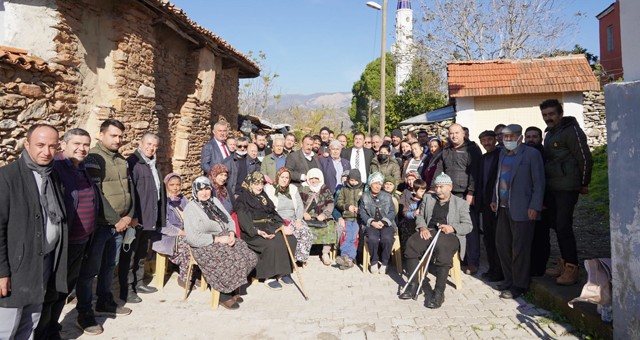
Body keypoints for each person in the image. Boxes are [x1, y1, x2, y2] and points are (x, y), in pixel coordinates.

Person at [0, 124, 67, 340]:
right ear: (27, 144)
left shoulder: (53, 176)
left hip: (44, 263)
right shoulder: (7, 177)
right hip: (16, 267)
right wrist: (1, 272)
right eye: (40, 145)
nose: (46, 152)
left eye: (52, 146)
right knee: (6, 326)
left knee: (31, 323)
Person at [37, 128, 98, 339]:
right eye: (77, 144)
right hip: (62, 244)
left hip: (81, 242)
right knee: (52, 291)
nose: (82, 148)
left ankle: (53, 327)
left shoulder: (81, 167)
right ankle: (44, 332)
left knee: (64, 289)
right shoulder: (57, 168)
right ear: (64, 145)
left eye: (86, 144)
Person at [77, 119, 134, 334]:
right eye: (113, 135)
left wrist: (130, 214)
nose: (118, 140)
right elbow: (96, 192)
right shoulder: (93, 157)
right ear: (101, 135)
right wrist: (115, 219)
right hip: (102, 225)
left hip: (120, 224)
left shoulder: (120, 159)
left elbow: (130, 189)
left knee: (110, 265)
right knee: (90, 270)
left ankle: (104, 301)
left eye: (120, 136)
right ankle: (84, 312)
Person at [540, 99, 593, 285]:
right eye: (545, 115)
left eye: (552, 114)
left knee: (563, 226)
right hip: (553, 187)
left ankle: (572, 267)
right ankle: (563, 262)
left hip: (568, 187)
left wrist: (584, 183)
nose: (548, 118)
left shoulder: (572, 131)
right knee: (556, 224)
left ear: (560, 113)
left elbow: (585, 158)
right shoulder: (550, 134)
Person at [183, 177, 258, 310]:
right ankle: (224, 295)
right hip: (204, 244)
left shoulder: (214, 201)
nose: (205, 192)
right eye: (201, 190)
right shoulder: (191, 208)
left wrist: (230, 234)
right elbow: (193, 238)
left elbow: (229, 220)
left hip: (223, 237)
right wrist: (217, 239)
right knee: (229, 259)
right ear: (195, 191)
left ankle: (232, 288)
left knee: (248, 255)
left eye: (207, 189)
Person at [399, 173, 472, 308]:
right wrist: (422, 227)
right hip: (430, 231)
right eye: (436, 187)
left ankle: (439, 292)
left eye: (441, 187)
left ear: (450, 187)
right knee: (412, 244)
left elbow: (468, 225)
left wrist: (452, 227)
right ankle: (414, 284)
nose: (438, 190)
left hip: (449, 234)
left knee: (443, 249)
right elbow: (420, 215)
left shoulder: (461, 203)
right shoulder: (428, 198)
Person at [490, 124, 545, 299]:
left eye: (511, 137)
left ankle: (519, 285)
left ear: (520, 138)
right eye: (505, 137)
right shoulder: (502, 154)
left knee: (520, 248)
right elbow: (498, 179)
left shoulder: (531, 154)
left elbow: (539, 183)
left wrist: (535, 206)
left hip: (523, 209)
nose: (508, 140)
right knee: (502, 245)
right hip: (503, 207)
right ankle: (508, 279)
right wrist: (494, 199)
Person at [119, 133, 164, 304]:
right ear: (140, 143)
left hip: (149, 217)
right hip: (136, 219)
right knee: (129, 256)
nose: (151, 147)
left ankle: (138, 283)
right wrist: (133, 216)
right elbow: (129, 192)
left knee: (141, 253)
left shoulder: (153, 163)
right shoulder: (133, 163)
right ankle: (127, 290)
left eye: (154, 145)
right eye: (148, 144)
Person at [235, 172, 297, 290]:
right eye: (256, 184)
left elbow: (273, 214)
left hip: (269, 227)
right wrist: (258, 232)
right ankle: (269, 276)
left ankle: (283, 272)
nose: (259, 187)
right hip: (253, 232)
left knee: (290, 239)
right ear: (249, 184)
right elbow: (244, 223)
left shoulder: (264, 197)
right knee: (272, 244)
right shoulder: (243, 200)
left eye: (261, 184)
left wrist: (283, 226)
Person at [435, 123, 482, 275]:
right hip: (449, 194)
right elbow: (439, 170)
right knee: (450, 228)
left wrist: (471, 192)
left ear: (463, 134)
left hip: (465, 195)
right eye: (451, 133)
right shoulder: (446, 151)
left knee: (469, 229)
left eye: (457, 133)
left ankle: (472, 262)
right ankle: (453, 260)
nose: (454, 136)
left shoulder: (472, 149)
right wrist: (435, 188)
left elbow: (475, 173)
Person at [264, 168, 312, 263]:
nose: (284, 179)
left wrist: (298, 219)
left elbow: (299, 205)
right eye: (282, 177)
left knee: (305, 231)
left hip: (293, 219)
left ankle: (297, 259)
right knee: (292, 232)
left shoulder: (293, 189)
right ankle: (288, 259)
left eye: (287, 177)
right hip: (278, 220)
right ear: (278, 177)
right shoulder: (269, 189)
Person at [152, 173, 190, 288]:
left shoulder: (183, 199)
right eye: (172, 184)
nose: (175, 188)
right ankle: (184, 277)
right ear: (166, 185)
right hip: (165, 237)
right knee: (187, 244)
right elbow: (163, 226)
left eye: (178, 184)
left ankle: (191, 273)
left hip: (183, 233)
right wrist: (182, 233)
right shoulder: (163, 202)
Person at [476, 130, 503, 283]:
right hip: (486, 204)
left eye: (489, 140)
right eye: (483, 140)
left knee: (499, 238)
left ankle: (500, 270)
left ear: (495, 140)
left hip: (499, 203)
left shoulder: (501, 156)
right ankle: (493, 268)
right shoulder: (483, 158)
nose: (487, 143)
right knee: (488, 238)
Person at [360, 172, 397, 274]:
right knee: (372, 238)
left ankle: (385, 262)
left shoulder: (387, 196)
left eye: (380, 184)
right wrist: (372, 222)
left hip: (386, 223)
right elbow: (362, 213)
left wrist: (383, 221)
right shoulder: (364, 196)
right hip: (371, 224)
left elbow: (392, 212)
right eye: (375, 183)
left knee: (387, 238)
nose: (377, 186)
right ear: (370, 184)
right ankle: (374, 261)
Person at [300, 169, 337, 266]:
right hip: (306, 215)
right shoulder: (303, 188)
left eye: (316, 178)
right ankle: (304, 254)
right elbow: (298, 203)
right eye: (311, 178)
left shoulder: (325, 188)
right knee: (301, 227)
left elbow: (330, 203)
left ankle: (325, 253)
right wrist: (303, 213)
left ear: (320, 179)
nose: (314, 180)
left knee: (330, 226)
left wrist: (324, 215)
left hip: (321, 215)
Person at [335, 169, 364, 270]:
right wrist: (347, 207)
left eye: (356, 181)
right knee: (346, 236)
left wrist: (360, 210)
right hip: (347, 217)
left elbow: (367, 203)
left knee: (354, 237)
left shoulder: (363, 189)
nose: (353, 182)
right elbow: (339, 202)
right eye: (351, 180)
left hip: (358, 219)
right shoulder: (344, 189)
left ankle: (349, 258)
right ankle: (345, 257)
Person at [398, 179, 428, 251]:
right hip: (410, 224)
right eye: (421, 191)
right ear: (414, 191)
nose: (423, 193)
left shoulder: (425, 201)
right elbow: (405, 212)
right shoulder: (410, 202)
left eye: (424, 191)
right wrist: (413, 214)